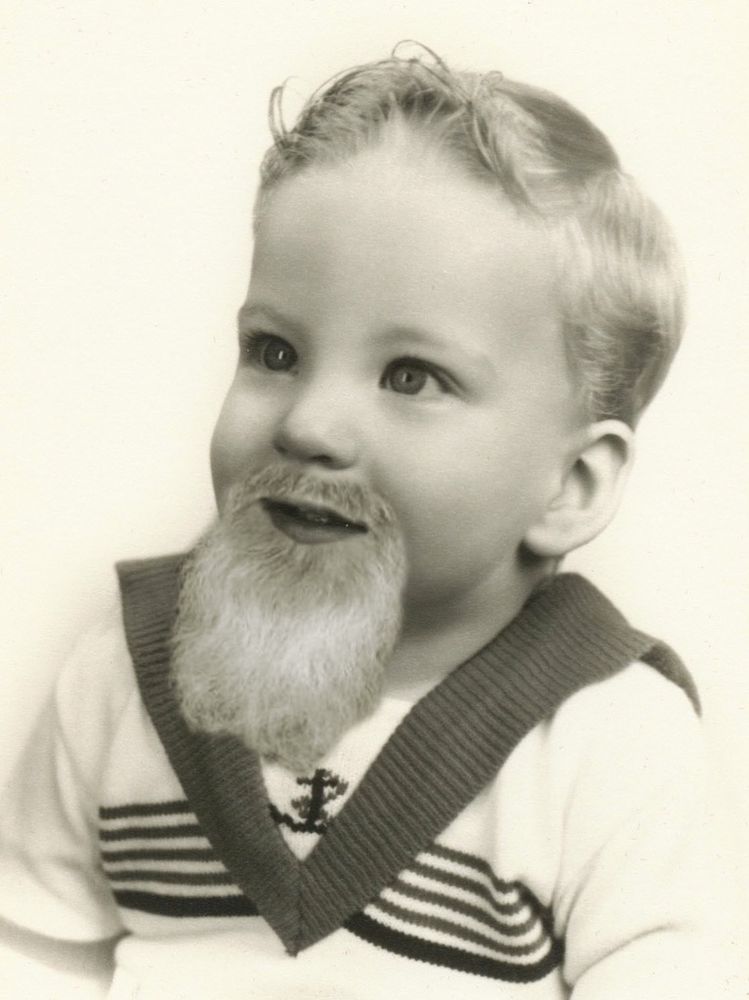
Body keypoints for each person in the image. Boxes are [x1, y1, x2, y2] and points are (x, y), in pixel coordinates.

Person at [0, 45, 723, 998]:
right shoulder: (120, 675)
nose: (306, 422)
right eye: (274, 351)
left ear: (571, 485)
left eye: (411, 377)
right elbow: (39, 957)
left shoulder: (608, 741)